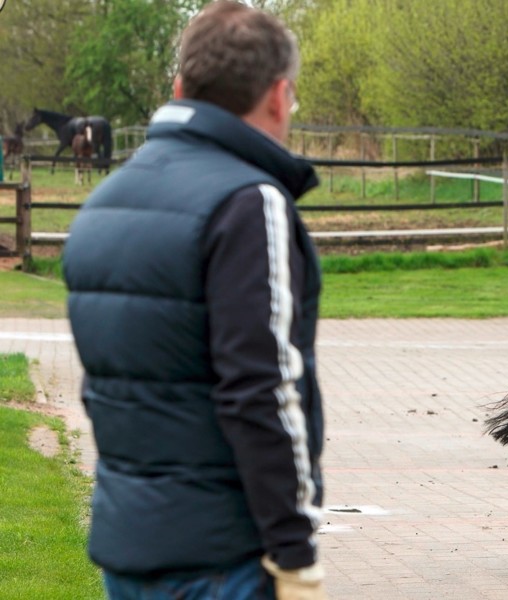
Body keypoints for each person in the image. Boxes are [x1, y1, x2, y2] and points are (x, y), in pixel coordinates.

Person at [62, 2, 326, 598]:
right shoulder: (248, 203)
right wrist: (295, 553)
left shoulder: (101, 205)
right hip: (226, 554)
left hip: (127, 548)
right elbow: (262, 388)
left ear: (181, 88)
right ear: (280, 96)